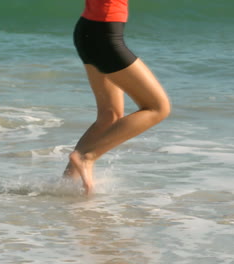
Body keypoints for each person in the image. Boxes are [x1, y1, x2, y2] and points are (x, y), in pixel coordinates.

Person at [64, 0, 171, 195]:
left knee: (109, 116)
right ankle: (86, 157)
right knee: (158, 108)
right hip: (105, 36)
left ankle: (68, 184)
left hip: (89, 31)